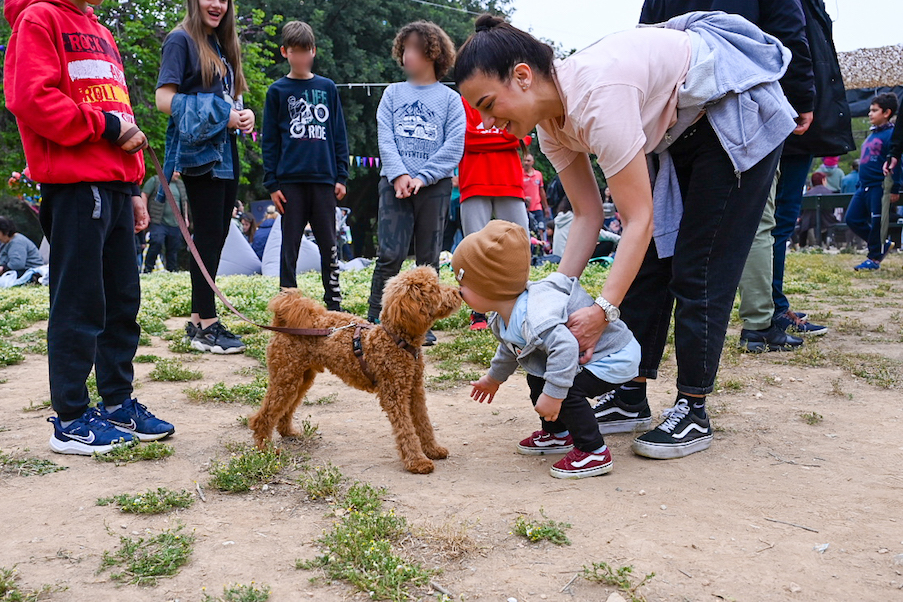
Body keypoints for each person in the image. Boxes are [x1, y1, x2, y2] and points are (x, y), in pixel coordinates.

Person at [456, 12, 794, 459]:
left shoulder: (600, 98)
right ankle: (631, 396)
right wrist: (556, 292)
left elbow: (637, 219)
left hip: (732, 108)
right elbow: (587, 213)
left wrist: (603, 310)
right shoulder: (551, 125)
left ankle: (693, 408)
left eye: (487, 104)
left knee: (698, 264)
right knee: (649, 263)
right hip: (681, 129)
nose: (485, 121)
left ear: (521, 77)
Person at [5, 0, 175, 454]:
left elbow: (121, 111)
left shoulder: (99, 28)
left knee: (122, 300)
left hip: (117, 186)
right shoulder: (39, 17)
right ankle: (72, 418)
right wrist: (103, 127)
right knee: (80, 302)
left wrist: (135, 184)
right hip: (77, 186)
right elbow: (30, 98)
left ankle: (117, 402)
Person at [640, 0, 836, 345]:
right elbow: (788, 34)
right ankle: (760, 321)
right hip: (744, 105)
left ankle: (748, 323)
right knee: (759, 220)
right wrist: (803, 97)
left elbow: (645, 37)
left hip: (677, 113)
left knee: (677, 231)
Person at [455, 221, 640, 478]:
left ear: (489, 286)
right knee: (538, 372)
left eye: (463, 284)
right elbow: (511, 349)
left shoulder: (536, 316)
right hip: (583, 354)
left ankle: (593, 451)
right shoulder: (504, 315)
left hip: (613, 355)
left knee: (565, 388)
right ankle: (558, 433)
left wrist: (553, 395)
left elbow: (564, 348)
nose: (458, 290)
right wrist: (492, 379)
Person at [155, 0, 256, 355]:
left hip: (227, 150)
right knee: (208, 236)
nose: (217, 4)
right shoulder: (180, 40)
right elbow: (164, 100)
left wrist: (244, 115)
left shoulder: (221, 42)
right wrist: (221, 114)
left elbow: (229, 99)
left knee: (217, 235)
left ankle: (199, 320)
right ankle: (210, 325)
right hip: (201, 153)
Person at [367, 20, 465, 345]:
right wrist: (399, 175)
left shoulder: (451, 100)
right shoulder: (392, 93)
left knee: (428, 258)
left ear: (431, 52)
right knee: (390, 255)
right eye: (404, 47)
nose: (406, 54)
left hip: (434, 187)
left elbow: (454, 146)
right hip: (393, 183)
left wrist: (422, 177)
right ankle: (375, 319)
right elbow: (385, 137)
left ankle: (422, 324)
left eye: (413, 48)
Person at [262, 21, 349, 310]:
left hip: (324, 179)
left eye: (306, 51)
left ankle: (333, 301)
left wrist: (342, 176)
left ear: (314, 51)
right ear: (285, 52)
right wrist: (272, 183)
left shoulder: (327, 87)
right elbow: (270, 139)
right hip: (290, 182)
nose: (301, 58)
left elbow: (338, 133)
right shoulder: (277, 91)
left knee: (329, 245)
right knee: (290, 246)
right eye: (295, 52)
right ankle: (287, 301)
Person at [459, 97, 529, 330]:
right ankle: (478, 312)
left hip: (508, 180)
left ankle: (523, 306)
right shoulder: (462, 102)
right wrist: (503, 139)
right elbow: (462, 139)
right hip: (473, 181)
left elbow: (523, 134)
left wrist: (482, 139)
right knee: (473, 249)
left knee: (522, 244)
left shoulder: (508, 97)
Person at [845, 93, 902, 271]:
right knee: (852, 218)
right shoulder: (871, 135)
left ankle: (874, 258)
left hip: (880, 186)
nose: (870, 114)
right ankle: (881, 245)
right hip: (863, 187)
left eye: (874, 111)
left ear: (887, 112)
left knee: (877, 222)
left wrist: (895, 187)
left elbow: (897, 162)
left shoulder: (893, 136)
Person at [141, 171, 188, 273]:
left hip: (176, 223)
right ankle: (148, 270)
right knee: (156, 242)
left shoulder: (180, 185)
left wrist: (186, 218)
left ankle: (172, 271)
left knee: (174, 248)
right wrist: (144, 212)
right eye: (175, 172)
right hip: (158, 220)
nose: (178, 174)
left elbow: (184, 201)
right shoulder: (156, 180)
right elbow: (144, 194)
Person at [797, 171, 839, 248]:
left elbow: (802, 211)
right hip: (827, 220)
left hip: (809, 221)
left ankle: (802, 245)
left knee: (805, 218)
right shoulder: (829, 193)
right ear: (823, 180)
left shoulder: (808, 194)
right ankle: (825, 242)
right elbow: (832, 210)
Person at [522, 153, 549, 230]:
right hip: (524, 207)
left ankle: (541, 242)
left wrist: (546, 207)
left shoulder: (538, 174)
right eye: (524, 160)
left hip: (537, 206)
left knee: (540, 229)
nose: (526, 163)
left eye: (528, 161)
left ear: (532, 162)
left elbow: (541, 191)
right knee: (527, 229)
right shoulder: (519, 174)